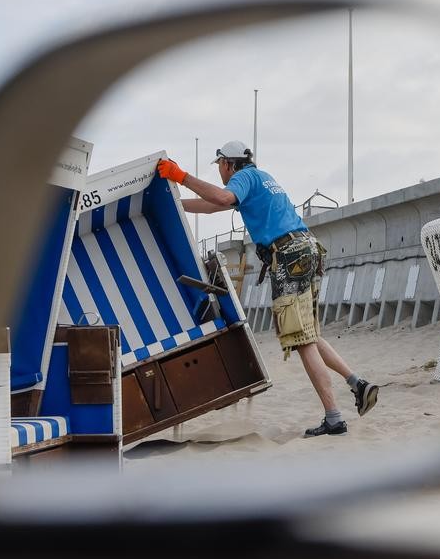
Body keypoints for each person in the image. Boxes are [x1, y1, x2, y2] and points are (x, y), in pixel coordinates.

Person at [156, 140, 378, 437]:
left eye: (220, 166)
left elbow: (221, 198)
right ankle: (357, 383)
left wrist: (180, 176)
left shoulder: (243, 177)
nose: (221, 172)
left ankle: (334, 418)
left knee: (301, 340)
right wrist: (175, 205)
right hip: (307, 248)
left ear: (227, 163)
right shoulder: (261, 179)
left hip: (288, 255)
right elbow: (212, 206)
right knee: (310, 333)